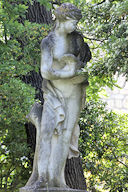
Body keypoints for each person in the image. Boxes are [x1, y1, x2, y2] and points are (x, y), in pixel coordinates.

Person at [25, 3, 91, 189]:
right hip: (54, 93)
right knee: (46, 133)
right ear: (62, 20)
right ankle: (42, 178)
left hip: (74, 92)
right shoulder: (49, 42)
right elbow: (45, 72)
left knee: (65, 135)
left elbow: (84, 63)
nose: (75, 26)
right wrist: (68, 73)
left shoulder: (77, 40)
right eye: (72, 21)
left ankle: (58, 181)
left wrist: (76, 69)